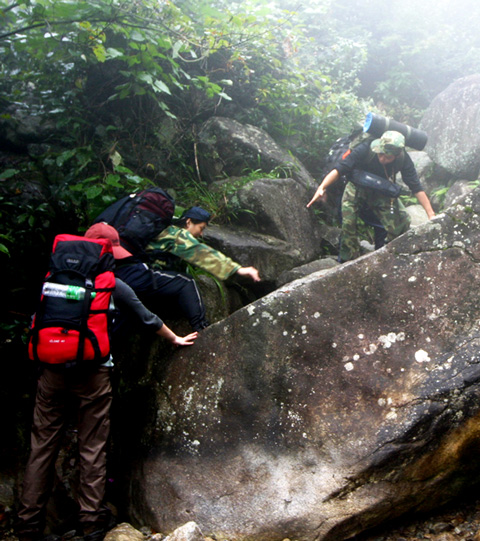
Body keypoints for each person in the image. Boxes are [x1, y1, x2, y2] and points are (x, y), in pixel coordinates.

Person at [16, 247, 198, 541]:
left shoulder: (53, 278)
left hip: (51, 371)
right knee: (92, 445)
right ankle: (91, 522)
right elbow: (145, 317)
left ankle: (28, 523)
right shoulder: (109, 281)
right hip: (93, 373)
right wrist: (175, 337)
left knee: (42, 446)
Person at [307, 130, 435, 262]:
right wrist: (322, 187)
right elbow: (340, 169)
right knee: (348, 224)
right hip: (356, 187)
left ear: (397, 155)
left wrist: (431, 214)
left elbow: (416, 187)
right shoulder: (366, 148)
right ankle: (346, 262)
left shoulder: (403, 159)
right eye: (380, 154)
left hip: (381, 189)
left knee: (400, 222)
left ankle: (389, 257)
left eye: (387, 157)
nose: (382, 159)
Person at [85, 222, 210, 332]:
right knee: (186, 281)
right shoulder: (120, 280)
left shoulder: (73, 269)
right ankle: (201, 328)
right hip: (101, 344)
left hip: (77, 338)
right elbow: (147, 317)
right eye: (201, 228)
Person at [147, 206, 261, 283]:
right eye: (201, 228)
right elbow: (201, 252)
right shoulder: (177, 235)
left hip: (140, 269)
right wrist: (237, 269)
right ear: (188, 222)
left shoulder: (169, 229)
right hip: (141, 272)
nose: (201, 234)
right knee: (187, 283)